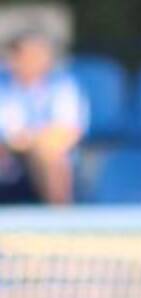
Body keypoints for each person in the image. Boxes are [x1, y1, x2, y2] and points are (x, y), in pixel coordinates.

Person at [0, 30, 87, 205]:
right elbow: (11, 136)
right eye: (28, 55)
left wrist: (33, 141)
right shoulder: (3, 87)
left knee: (50, 153)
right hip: (7, 155)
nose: (35, 61)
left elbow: (68, 133)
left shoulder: (64, 85)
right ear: (13, 60)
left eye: (40, 55)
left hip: (47, 156)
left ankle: (61, 220)